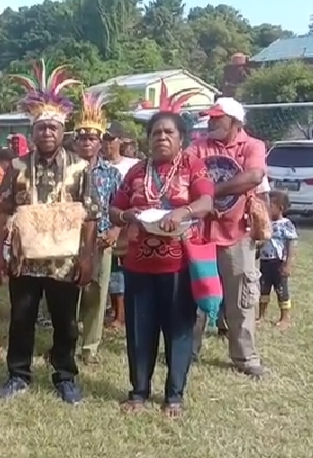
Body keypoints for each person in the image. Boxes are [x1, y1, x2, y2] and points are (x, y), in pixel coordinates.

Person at [0, 60, 100, 404]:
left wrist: (88, 258)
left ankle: (65, 376)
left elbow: (90, 217)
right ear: (33, 133)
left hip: (64, 263)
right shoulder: (18, 168)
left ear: (62, 130)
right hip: (24, 261)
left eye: (53, 128)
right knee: (21, 319)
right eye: (41, 129)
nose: (47, 133)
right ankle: (18, 375)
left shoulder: (80, 169)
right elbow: (5, 211)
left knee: (66, 323)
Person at [109, 108, 214, 417]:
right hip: (138, 265)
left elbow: (206, 202)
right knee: (140, 331)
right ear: (148, 139)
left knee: (178, 330)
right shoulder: (137, 172)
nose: (162, 137)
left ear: (182, 138)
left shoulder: (194, 167)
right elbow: (116, 209)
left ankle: (174, 396)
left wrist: (182, 213)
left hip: (179, 266)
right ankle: (139, 392)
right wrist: (128, 216)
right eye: (156, 133)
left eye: (169, 132)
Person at [188, 97, 267, 378]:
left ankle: (245, 358)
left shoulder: (252, 146)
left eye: (216, 118)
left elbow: (254, 176)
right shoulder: (199, 145)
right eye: (210, 118)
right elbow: (185, 171)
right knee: (196, 295)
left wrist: (211, 192)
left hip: (237, 234)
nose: (210, 122)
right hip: (201, 234)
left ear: (234, 122)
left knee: (241, 299)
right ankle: (188, 351)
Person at [72, 92, 122, 364]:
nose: (87, 143)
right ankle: (66, 342)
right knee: (69, 296)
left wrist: (115, 231)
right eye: (82, 138)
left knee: (97, 295)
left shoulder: (112, 174)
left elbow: (119, 208)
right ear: (75, 141)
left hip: (101, 242)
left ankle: (89, 347)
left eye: (92, 138)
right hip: (69, 242)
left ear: (100, 142)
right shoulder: (66, 171)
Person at [102, 121, 140, 327]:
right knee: (113, 271)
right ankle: (116, 312)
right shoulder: (98, 165)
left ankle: (124, 313)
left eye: (111, 139)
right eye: (104, 139)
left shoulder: (132, 165)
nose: (107, 144)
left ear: (120, 141)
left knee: (127, 270)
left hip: (127, 224)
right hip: (105, 223)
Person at [258, 191, 297, 329]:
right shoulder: (265, 223)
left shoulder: (285, 224)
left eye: (271, 206)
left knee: (281, 290)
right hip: (265, 261)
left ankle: (285, 318)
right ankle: (261, 315)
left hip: (278, 262)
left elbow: (290, 244)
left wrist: (287, 263)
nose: (267, 208)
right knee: (263, 288)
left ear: (280, 208)